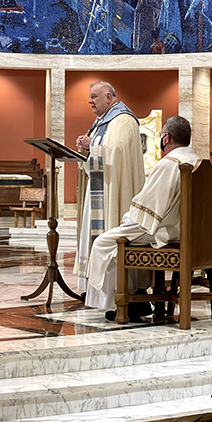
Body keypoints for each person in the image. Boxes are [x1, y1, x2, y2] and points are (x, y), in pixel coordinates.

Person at [85, 115, 199, 320]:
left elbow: (150, 205)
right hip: (185, 229)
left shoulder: (170, 163)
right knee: (123, 237)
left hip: (166, 230)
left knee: (105, 243)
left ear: (167, 137)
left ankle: (122, 303)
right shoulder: (196, 161)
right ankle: (138, 294)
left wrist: (128, 217)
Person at [75, 81, 145, 292]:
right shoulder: (102, 121)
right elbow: (104, 150)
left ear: (108, 96)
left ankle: (115, 292)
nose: (90, 101)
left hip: (114, 189)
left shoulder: (123, 119)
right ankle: (95, 291)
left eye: (94, 96)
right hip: (99, 188)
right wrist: (85, 150)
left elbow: (117, 151)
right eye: (90, 97)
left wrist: (92, 144)